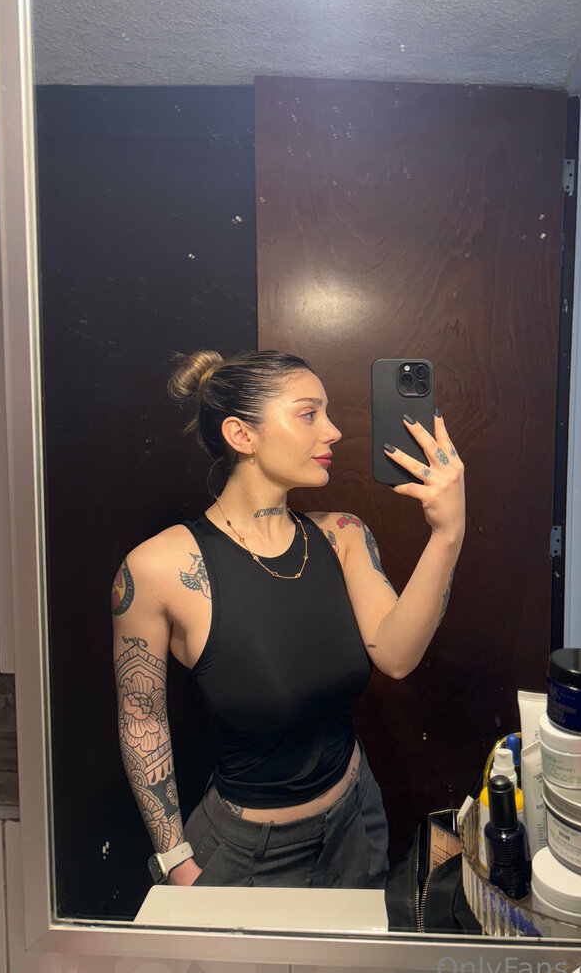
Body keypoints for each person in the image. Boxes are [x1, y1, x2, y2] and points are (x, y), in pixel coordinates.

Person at [112, 349, 465, 888]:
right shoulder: (157, 569)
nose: (333, 431)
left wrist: (447, 535)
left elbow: (397, 656)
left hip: (356, 821)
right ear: (242, 435)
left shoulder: (343, 535)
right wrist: (174, 858)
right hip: (247, 855)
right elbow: (142, 718)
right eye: (308, 414)